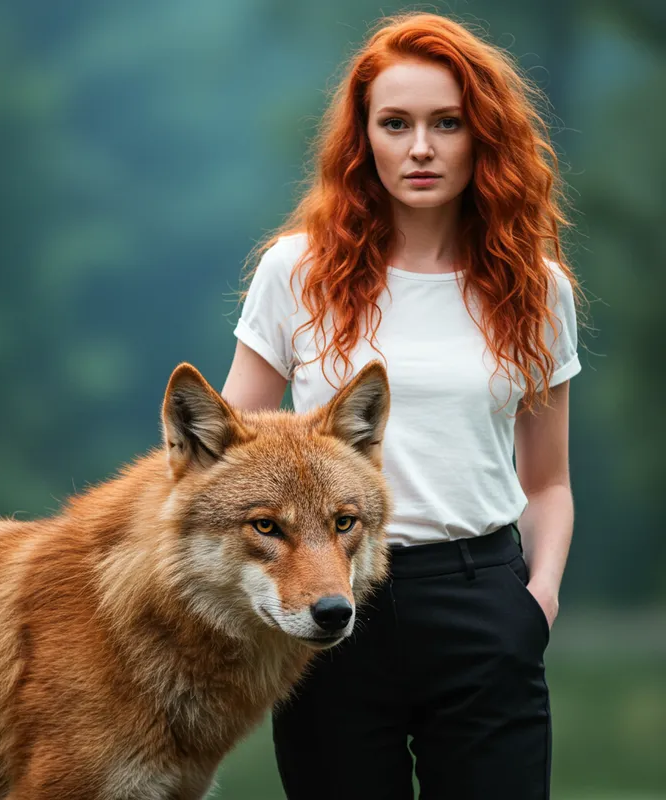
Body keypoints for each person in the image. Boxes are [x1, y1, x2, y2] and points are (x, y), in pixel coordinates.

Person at [221, 11, 584, 800]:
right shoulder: (296, 272)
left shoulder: (536, 288)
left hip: (481, 599)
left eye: (446, 123)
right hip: (329, 598)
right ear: (364, 139)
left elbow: (548, 482)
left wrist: (537, 604)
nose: (421, 147)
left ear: (482, 136)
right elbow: (225, 457)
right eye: (396, 123)